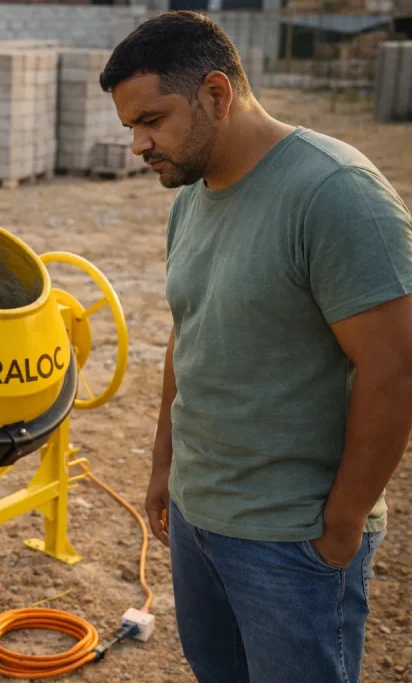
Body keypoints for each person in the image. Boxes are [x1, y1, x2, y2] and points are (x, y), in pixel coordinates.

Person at [100, 11, 412, 683]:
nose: (138, 144)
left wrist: (343, 524)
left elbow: (395, 370)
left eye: (151, 120)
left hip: (290, 541)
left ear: (216, 94)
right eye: (131, 127)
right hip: (197, 516)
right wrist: (165, 464)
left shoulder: (335, 193)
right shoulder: (192, 197)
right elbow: (192, 332)